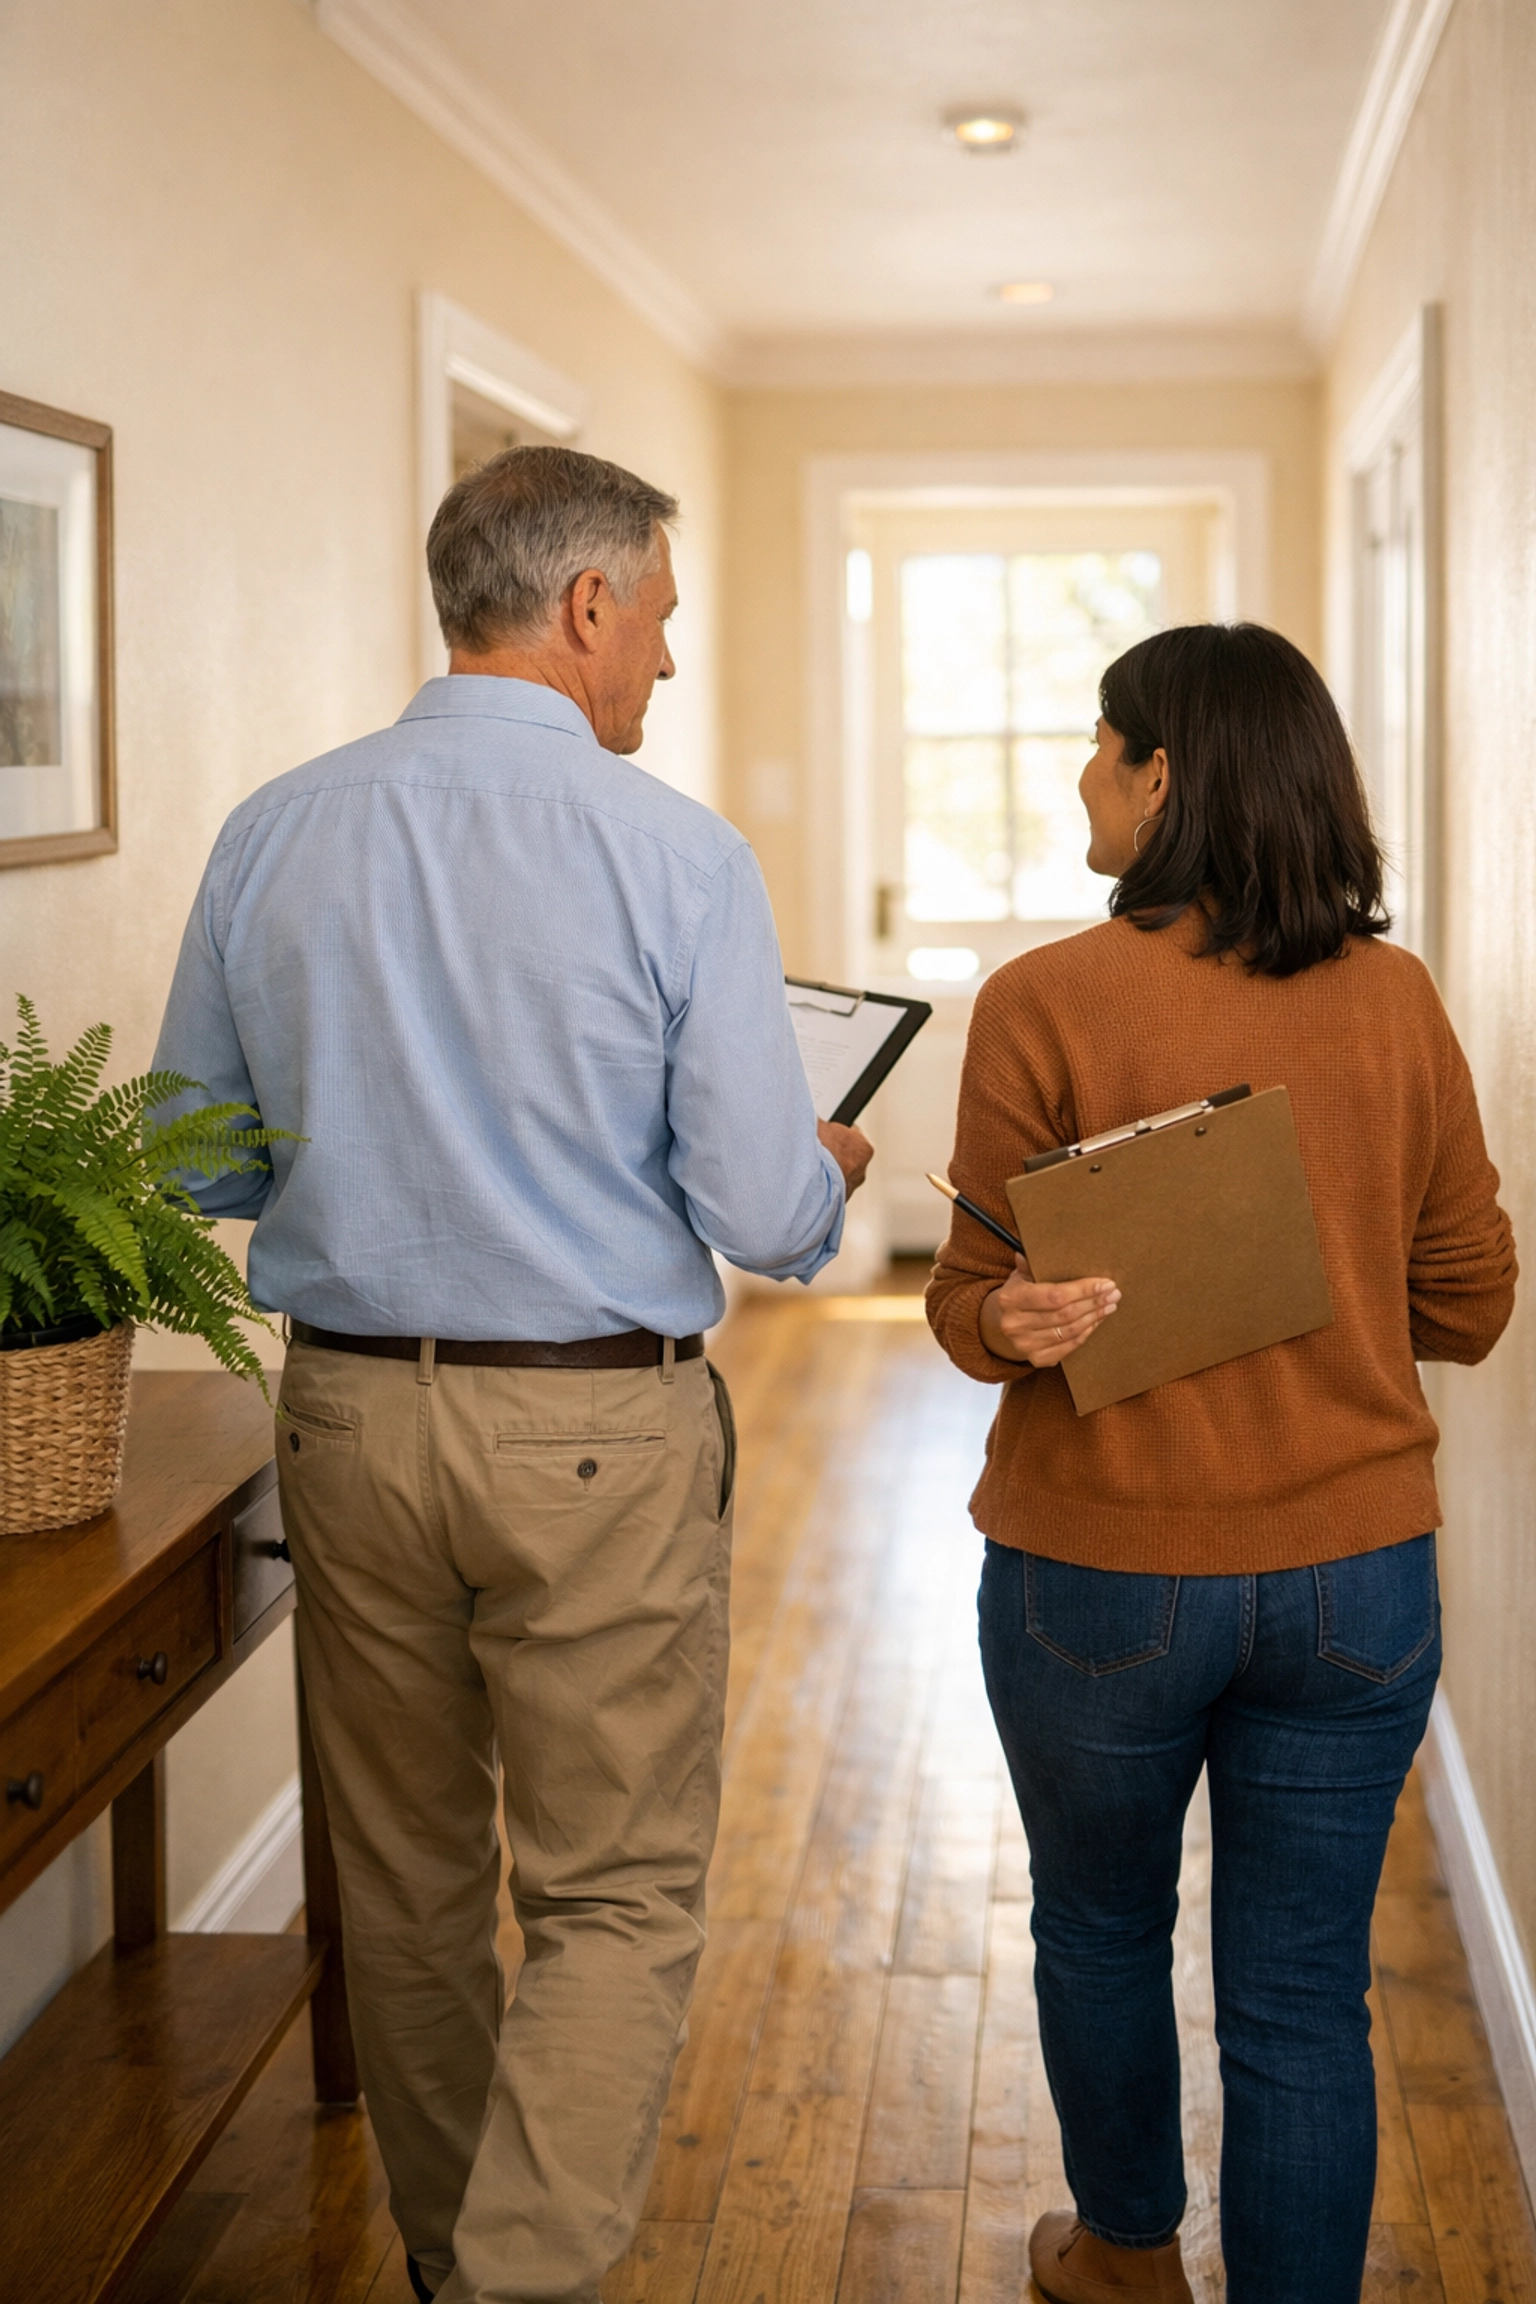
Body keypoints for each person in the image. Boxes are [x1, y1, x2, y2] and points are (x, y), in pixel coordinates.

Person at [153, 445, 872, 2304]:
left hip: (347, 1417)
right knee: (613, 1895)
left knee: (400, 1892)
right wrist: (821, 1175)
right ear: (584, 608)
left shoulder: (270, 830)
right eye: (661, 621)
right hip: (593, 1432)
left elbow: (197, 1165)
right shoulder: (676, 855)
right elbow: (762, 1213)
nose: (666, 665)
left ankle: (450, 2267)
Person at [926, 622, 1515, 2304]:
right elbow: (1471, 1303)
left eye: (1100, 746)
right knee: (1303, 1994)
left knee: (1100, 1931)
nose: (1081, 777)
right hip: (1356, 1587)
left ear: (1162, 775)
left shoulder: (1044, 1001)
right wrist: (1333, 1284)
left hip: (1098, 1579)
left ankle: (1125, 2261)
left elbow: (967, 1305)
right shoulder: (1395, 1000)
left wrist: (1020, 1325)